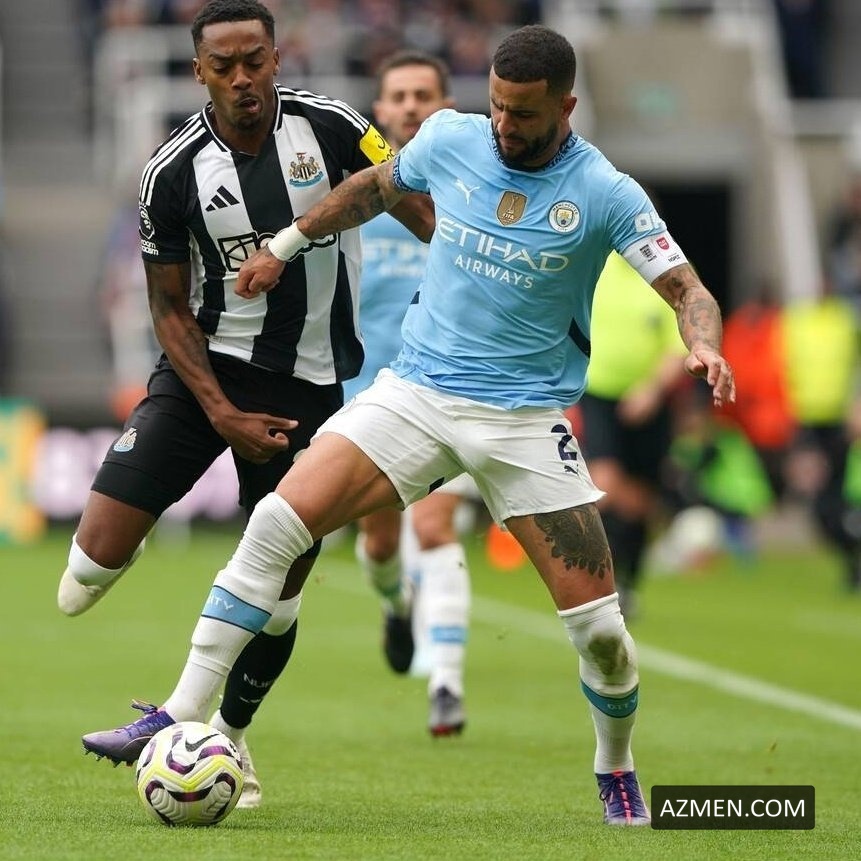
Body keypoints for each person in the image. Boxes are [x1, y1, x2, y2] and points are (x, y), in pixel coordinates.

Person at [83, 24, 735, 826]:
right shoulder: (454, 137)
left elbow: (687, 289)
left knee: (600, 633)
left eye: (524, 114)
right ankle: (179, 713)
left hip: (524, 419)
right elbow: (373, 187)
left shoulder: (604, 191)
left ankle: (616, 764)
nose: (504, 126)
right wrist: (284, 244)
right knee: (277, 521)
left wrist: (703, 343)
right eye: (496, 107)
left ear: (565, 107)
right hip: (417, 392)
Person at [62, 0, 433, 809]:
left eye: (254, 61)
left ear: (275, 59)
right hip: (206, 374)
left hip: (308, 392)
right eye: (223, 66)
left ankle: (228, 734)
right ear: (198, 72)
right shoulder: (171, 171)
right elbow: (167, 308)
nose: (241, 79)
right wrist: (223, 414)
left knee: (279, 597)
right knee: (82, 575)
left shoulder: (334, 128)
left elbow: (421, 212)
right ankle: (145, 534)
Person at [345, 49, 473, 737]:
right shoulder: (355, 195)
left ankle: (446, 683)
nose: (411, 105)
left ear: (445, 105)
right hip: (366, 394)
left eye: (424, 93)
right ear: (380, 111)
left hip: (448, 388)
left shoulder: (473, 191)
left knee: (434, 526)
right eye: (398, 95)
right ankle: (396, 606)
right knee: (380, 542)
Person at [576, 250, 687, 619]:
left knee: (640, 501)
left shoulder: (666, 272)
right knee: (605, 484)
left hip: (649, 402)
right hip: (598, 394)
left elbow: (678, 344)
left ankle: (628, 583)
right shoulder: (594, 263)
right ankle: (600, 583)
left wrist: (652, 389)